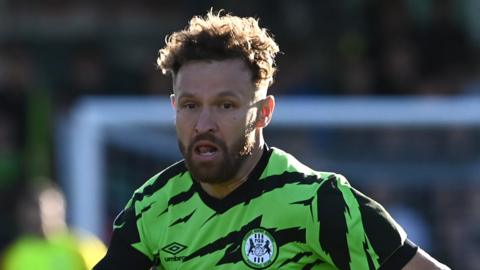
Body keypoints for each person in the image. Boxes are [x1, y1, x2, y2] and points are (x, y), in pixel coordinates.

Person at [94, 10, 450, 270]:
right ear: (174, 108)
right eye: (190, 105)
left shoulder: (320, 202)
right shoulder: (152, 207)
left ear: (264, 112)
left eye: (225, 105)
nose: (204, 123)